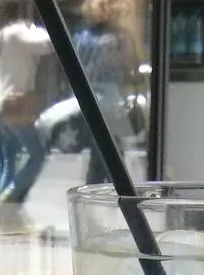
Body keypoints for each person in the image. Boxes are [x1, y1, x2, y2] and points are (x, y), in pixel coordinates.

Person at [0, 0, 51, 229]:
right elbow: (49, 43)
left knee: (6, 158)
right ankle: (7, 202)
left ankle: (3, 217)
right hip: (13, 104)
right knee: (37, 154)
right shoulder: (19, 32)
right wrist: (35, 26)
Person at [74, 0, 138, 187]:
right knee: (113, 147)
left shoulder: (81, 37)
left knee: (99, 146)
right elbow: (129, 67)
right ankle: (115, 187)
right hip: (111, 95)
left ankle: (96, 185)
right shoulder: (119, 37)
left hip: (88, 94)